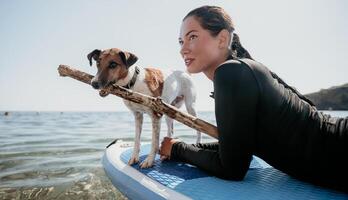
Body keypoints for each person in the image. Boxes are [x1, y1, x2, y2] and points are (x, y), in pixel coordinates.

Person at [159, 5, 347, 192]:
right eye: (180, 41)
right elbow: (236, 147)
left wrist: (178, 149)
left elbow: (232, 168)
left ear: (222, 39)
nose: (183, 49)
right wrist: (186, 146)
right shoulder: (241, 70)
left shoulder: (230, 72)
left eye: (192, 37)